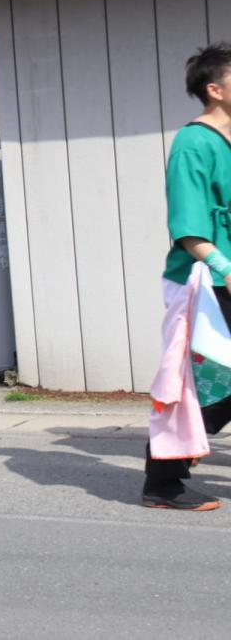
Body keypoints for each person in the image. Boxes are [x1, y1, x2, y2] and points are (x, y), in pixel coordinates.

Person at [144, 43, 231, 510]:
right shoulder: (193, 143)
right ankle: (162, 481)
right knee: (189, 383)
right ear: (214, 89)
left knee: (211, 382)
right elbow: (188, 225)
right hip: (205, 280)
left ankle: (180, 454)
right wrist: (225, 267)